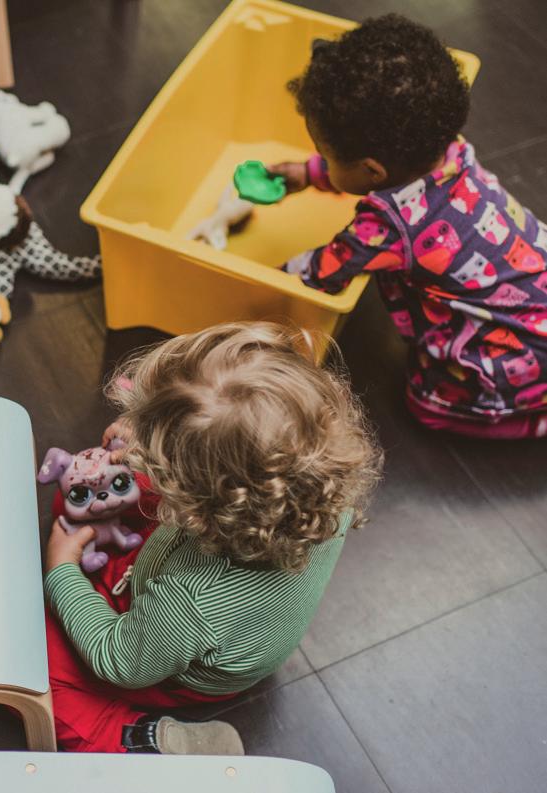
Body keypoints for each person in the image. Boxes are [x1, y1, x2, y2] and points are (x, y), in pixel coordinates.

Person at [43, 322, 381, 753]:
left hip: (170, 663)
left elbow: (120, 661)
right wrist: (155, 439)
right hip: (223, 621)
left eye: (156, 440)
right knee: (89, 503)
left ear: (196, 506)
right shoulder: (326, 491)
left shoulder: (190, 599)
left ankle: (134, 739)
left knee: (36, 669)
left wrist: (63, 574)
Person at [270, 15, 547, 438]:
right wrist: (310, 173)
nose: (321, 163)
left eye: (324, 157)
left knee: (427, 406)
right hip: (535, 298)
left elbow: (320, 273)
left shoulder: (386, 226)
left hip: (522, 351)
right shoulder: (445, 148)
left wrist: (267, 277)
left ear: (371, 169)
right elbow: (370, 174)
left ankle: (533, 418)